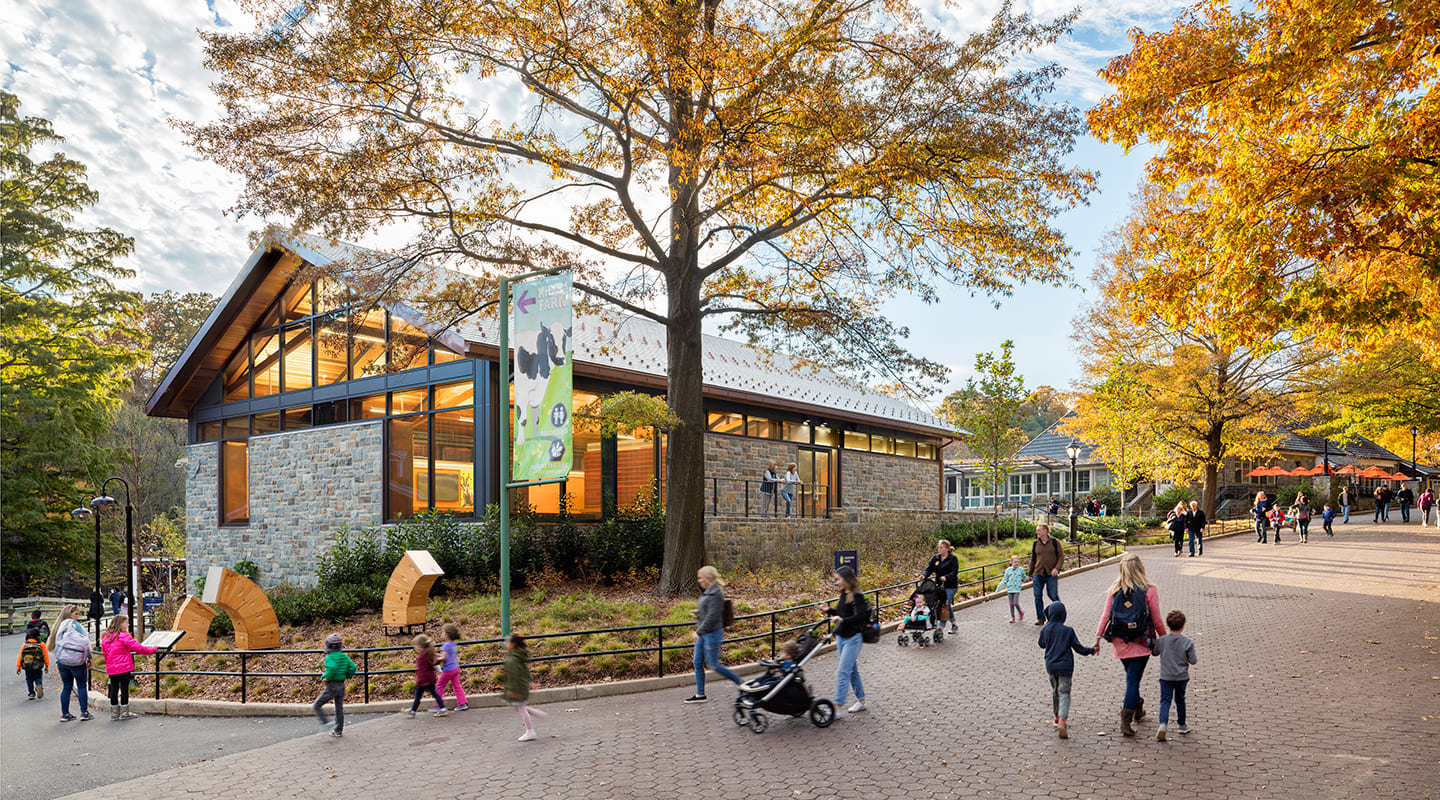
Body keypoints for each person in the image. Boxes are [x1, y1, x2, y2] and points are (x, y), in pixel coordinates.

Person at [1094, 552, 1166, 737]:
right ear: (1141, 568)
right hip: (1141, 641)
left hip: (1120, 641)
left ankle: (1138, 706)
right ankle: (1126, 720)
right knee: (1132, 680)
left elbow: (1106, 616)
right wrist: (1165, 638)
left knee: (1131, 678)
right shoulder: (1149, 590)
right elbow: (1157, 619)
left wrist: (1098, 638)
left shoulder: (1114, 590)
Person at [1037, 601, 1095, 739]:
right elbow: (1078, 648)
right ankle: (1063, 720)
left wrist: (1045, 628)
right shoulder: (1068, 630)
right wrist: (1091, 650)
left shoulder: (1045, 629)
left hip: (1051, 666)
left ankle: (1056, 717)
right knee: (1064, 692)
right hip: (1066, 667)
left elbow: (1041, 644)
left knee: (1055, 690)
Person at [685, 565, 742, 703]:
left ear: (707, 578)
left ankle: (741, 683)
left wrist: (698, 632)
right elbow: (708, 611)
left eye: (700, 578)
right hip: (704, 633)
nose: (699, 580)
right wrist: (699, 612)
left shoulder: (716, 593)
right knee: (697, 662)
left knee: (713, 664)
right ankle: (700, 694)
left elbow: (712, 616)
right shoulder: (707, 591)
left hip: (711, 634)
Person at [1150, 610, 1197, 741]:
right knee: (1180, 699)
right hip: (1181, 676)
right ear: (1183, 625)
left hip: (1166, 676)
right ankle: (1182, 724)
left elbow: (1154, 652)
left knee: (1165, 700)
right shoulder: (1187, 642)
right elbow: (1193, 661)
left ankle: (1163, 724)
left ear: (1168, 625)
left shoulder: (1162, 640)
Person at [828, 565, 869, 716]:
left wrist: (842, 619)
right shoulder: (845, 595)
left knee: (843, 671)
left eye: (838, 579)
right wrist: (829, 611)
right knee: (852, 671)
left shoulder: (855, 595)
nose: (836, 582)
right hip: (842, 638)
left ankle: (837, 707)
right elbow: (841, 613)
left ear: (845, 579)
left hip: (853, 639)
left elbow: (860, 616)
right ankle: (862, 701)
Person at [100, 614, 157, 721]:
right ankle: (125, 712)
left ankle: (114, 714)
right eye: (126, 622)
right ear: (121, 624)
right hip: (124, 667)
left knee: (114, 689)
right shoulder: (124, 636)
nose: (128, 624)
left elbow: (105, 653)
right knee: (124, 688)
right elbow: (138, 648)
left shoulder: (106, 637)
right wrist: (152, 649)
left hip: (112, 668)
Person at [50, 605, 93, 722]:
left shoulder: (59, 626)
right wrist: (90, 657)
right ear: (70, 614)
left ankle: (65, 714)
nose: (78, 617)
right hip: (76, 661)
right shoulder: (75, 625)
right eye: (76, 614)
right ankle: (84, 712)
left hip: (62, 661)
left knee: (67, 687)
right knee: (82, 685)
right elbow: (86, 641)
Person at [505, 634, 547, 741]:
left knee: (521, 708)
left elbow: (516, 674)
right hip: (519, 685)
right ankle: (535, 713)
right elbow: (524, 670)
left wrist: (512, 689)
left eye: (507, 642)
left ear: (513, 644)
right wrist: (530, 680)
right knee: (518, 707)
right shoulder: (516, 655)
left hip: (518, 687)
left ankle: (530, 732)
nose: (505, 644)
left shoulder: (514, 658)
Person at [313, 633, 355, 738]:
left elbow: (332, 668)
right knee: (339, 709)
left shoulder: (330, 657)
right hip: (341, 685)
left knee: (317, 705)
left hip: (332, 686)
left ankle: (326, 722)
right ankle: (338, 731)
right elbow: (353, 667)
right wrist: (347, 676)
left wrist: (325, 677)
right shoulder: (344, 656)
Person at [1028, 524, 1064, 626]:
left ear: (1045, 531)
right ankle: (1040, 618)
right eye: (1037, 531)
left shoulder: (1054, 542)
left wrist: (1056, 569)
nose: (1037, 532)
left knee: (1052, 595)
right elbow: (1033, 560)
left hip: (1050, 574)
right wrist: (1029, 574)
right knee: (1037, 596)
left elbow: (1061, 557)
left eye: (1039, 530)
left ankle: (1059, 615)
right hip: (1038, 574)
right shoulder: (1035, 544)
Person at [403, 634, 446, 717]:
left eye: (416, 645)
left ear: (420, 646)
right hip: (431, 678)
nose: (414, 647)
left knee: (418, 696)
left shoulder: (420, 657)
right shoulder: (430, 654)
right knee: (435, 694)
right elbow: (435, 662)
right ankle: (442, 708)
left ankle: (413, 711)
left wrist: (419, 680)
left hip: (422, 680)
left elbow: (421, 670)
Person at [923, 539, 959, 634]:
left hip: (950, 586)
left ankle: (940, 628)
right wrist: (924, 575)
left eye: (941, 548)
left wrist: (946, 577)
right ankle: (954, 624)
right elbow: (929, 568)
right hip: (939, 586)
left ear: (947, 549)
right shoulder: (935, 558)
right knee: (939, 605)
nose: (939, 549)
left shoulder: (953, 559)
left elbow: (954, 572)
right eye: (938, 547)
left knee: (945, 603)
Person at [435, 623, 468, 711]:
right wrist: (436, 654)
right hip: (455, 668)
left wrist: (437, 660)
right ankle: (463, 703)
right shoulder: (454, 644)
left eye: (442, 632)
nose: (441, 634)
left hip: (448, 669)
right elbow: (448, 655)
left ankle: (439, 705)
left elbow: (444, 657)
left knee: (439, 685)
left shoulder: (445, 645)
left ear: (447, 635)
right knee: (457, 685)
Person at [17, 629, 49, 700]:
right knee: (38, 677)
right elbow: (45, 655)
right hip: (38, 665)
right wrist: (46, 665)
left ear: (30, 635)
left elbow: (20, 656)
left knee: (29, 679)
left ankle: (31, 692)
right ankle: (39, 685)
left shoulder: (25, 644)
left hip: (27, 666)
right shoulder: (41, 644)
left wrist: (18, 667)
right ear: (38, 636)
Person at [999, 555, 1026, 623]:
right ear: (1011, 562)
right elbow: (1005, 578)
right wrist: (1001, 586)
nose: (1017, 563)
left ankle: (1020, 612)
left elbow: (1024, 577)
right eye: (1015, 562)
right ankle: (1012, 616)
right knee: (1011, 604)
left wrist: (1028, 579)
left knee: (1015, 603)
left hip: (1017, 589)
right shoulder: (1008, 570)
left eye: (1018, 562)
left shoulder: (1021, 569)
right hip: (1010, 589)